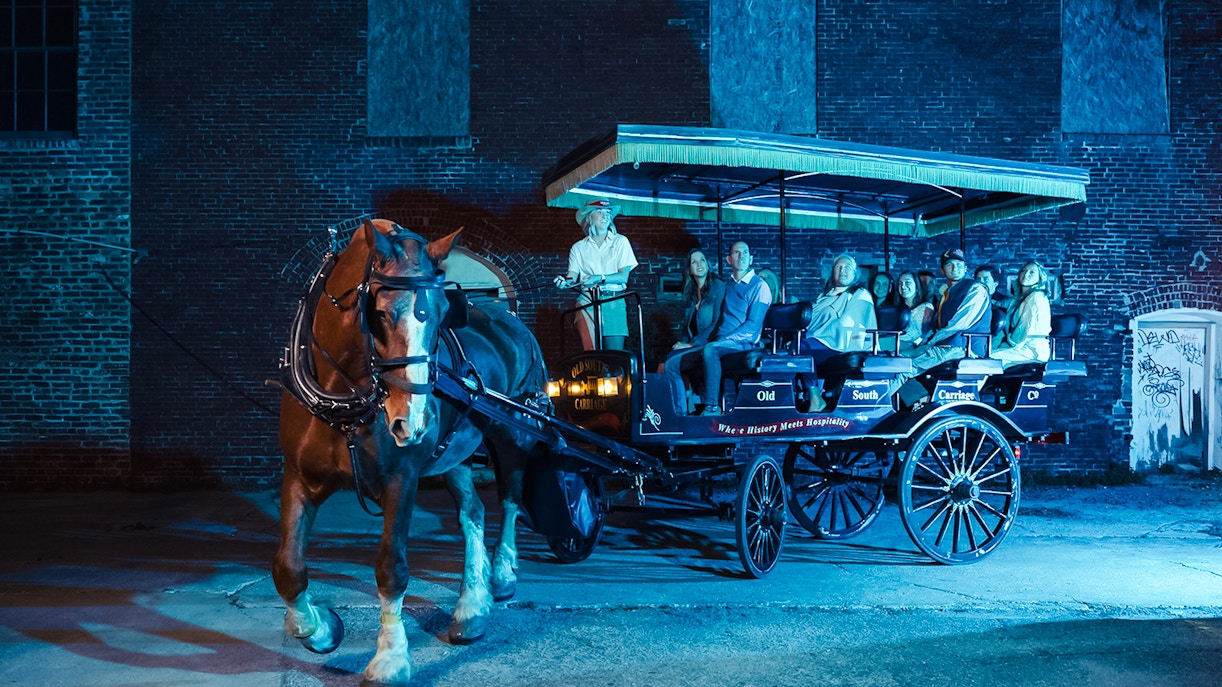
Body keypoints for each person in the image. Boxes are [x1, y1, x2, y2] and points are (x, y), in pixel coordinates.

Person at [664, 241, 772, 416]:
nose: (741, 256)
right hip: (719, 342)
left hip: (742, 343)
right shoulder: (727, 286)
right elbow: (716, 321)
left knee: (710, 350)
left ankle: (712, 406)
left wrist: (723, 340)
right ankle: (680, 413)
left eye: (745, 252)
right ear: (729, 259)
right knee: (671, 364)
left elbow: (752, 328)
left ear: (751, 257)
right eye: (736, 253)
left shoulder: (759, 286)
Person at [887, 248, 992, 403]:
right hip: (946, 346)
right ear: (942, 270)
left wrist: (930, 343)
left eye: (958, 264)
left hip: (962, 348)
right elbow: (937, 327)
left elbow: (959, 324)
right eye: (949, 264)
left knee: (902, 368)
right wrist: (927, 343)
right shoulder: (947, 293)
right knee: (892, 361)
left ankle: (873, 407)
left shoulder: (976, 289)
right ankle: (915, 402)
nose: (955, 268)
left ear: (966, 268)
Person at [554, 199, 639, 350]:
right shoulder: (578, 247)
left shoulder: (620, 242)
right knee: (591, 354)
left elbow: (623, 277)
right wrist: (564, 282)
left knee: (614, 356)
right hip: (587, 300)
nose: (605, 216)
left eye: (608, 213)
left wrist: (599, 278)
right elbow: (571, 277)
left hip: (614, 299)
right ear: (589, 216)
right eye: (600, 212)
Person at [801, 254, 877, 367]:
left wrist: (816, 333)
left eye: (847, 267)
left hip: (839, 344)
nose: (842, 270)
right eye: (838, 267)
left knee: (801, 347)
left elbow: (846, 323)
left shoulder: (859, 294)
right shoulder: (824, 296)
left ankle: (811, 385)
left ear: (855, 273)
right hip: (819, 340)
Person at [991, 261, 1052, 367]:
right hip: (1020, 347)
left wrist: (1004, 347)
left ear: (1040, 278)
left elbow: (1024, 330)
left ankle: (974, 384)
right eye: (1023, 271)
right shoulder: (1018, 300)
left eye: (1031, 272)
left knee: (985, 362)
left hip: (1031, 350)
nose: (1026, 274)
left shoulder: (1036, 297)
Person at [670, 248, 726, 351]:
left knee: (669, 365)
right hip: (694, 346)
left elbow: (717, 324)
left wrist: (691, 344)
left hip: (711, 346)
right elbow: (687, 329)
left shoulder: (719, 287)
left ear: (707, 265)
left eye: (702, 260)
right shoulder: (691, 293)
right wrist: (682, 345)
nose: (699, 264)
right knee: (667, 359)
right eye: (694, 262)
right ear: (690, 270)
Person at [894, 270, 933, 351]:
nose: (903, 287)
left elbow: (923, 335)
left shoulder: (926, 307)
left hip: (913, 348)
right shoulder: (896, 309)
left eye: (907, 283)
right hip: (894, 343)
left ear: (917, 286)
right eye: (900, 283)